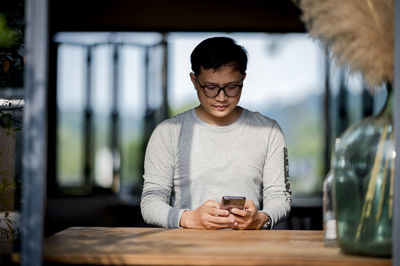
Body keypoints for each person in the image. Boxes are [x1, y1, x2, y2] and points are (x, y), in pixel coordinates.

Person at [140, 37, 291, 230]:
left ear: (243, 79)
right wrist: (187, 218)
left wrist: (261, 218)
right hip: (186, 254)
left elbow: (280, 197)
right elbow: (151, 202)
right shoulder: (167, 133)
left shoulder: (268, 131)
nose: (221, 97)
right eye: (210, 88)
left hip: (250, 254)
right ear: (194, 81)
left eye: (231, 87)